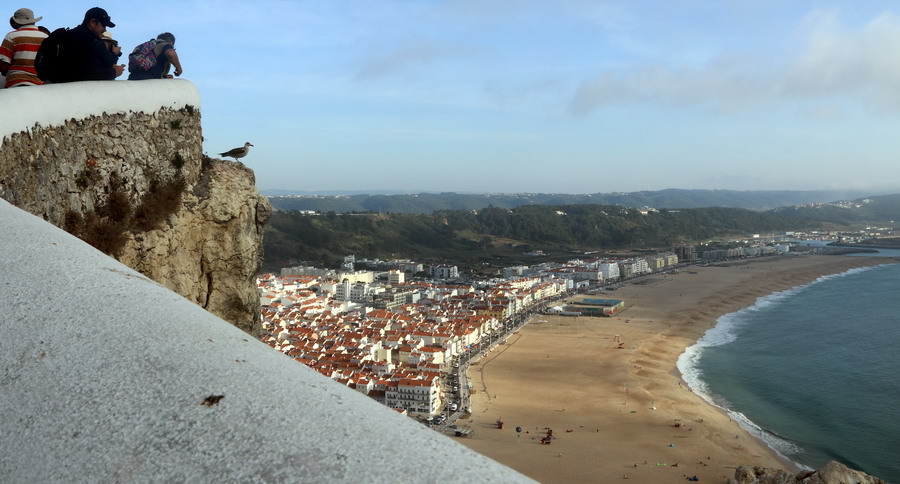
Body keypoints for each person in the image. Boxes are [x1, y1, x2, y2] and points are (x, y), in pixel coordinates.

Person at [57, 7, 124, 82]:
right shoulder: (81, 37)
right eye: (103, 25)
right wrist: (113, 72)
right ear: (93, 22)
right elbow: (86, 71)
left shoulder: (79, 35)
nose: (105, 30)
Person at [0, 8, 49, 87]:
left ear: (16, 23)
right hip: (40, 85)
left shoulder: (11, 36)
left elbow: (3, 66)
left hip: (16, 82)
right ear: (34, 21)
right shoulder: (46, 37)